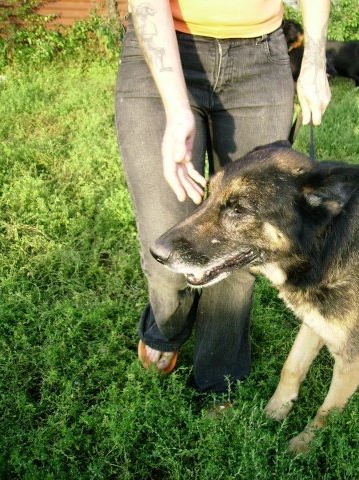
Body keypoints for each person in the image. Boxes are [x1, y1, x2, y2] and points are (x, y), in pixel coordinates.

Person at [114, 0, 331, 402]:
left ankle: (218, 373)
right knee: (166, 242)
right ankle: (168, 327)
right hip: (162, 50)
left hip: (261, 61)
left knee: (244, 241)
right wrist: (178, 110)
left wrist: (314, 60)